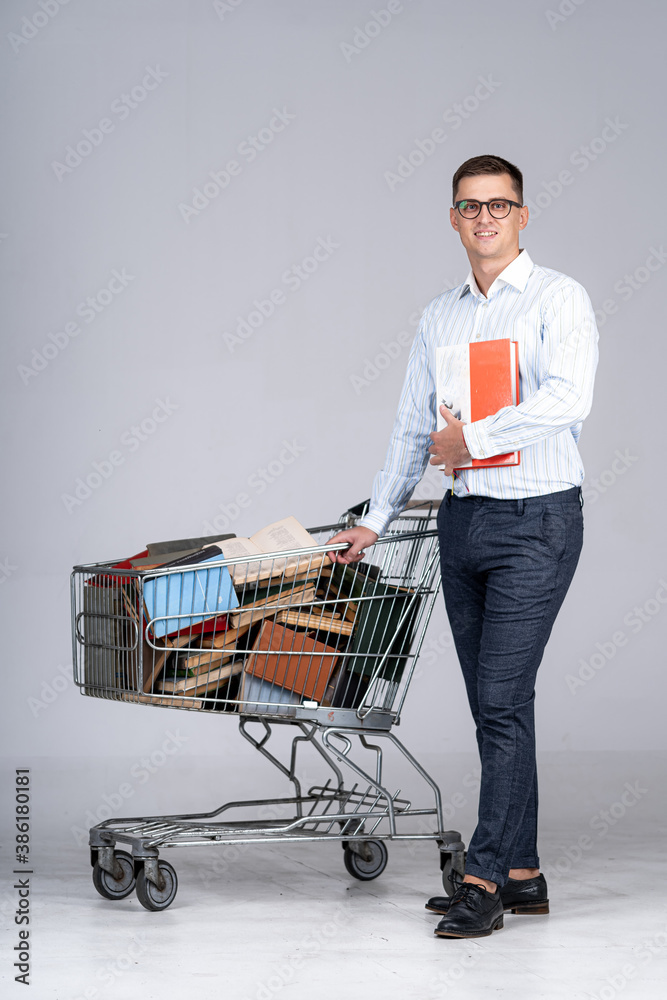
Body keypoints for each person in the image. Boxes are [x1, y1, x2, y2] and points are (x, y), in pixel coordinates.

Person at [326, 154, 599, 939]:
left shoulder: (557, 298)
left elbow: (567, 398)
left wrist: (471, 438)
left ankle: (480, 877)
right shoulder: (439, 315)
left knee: (501, 700)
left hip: (537, 520)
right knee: (495, 707)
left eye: (499, 205)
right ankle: (522, 873)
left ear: (522, 215)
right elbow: (414, 427)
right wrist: (375, 519)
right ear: (452, 219)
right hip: (464, 523)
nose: (484, 219)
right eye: (469, 207)